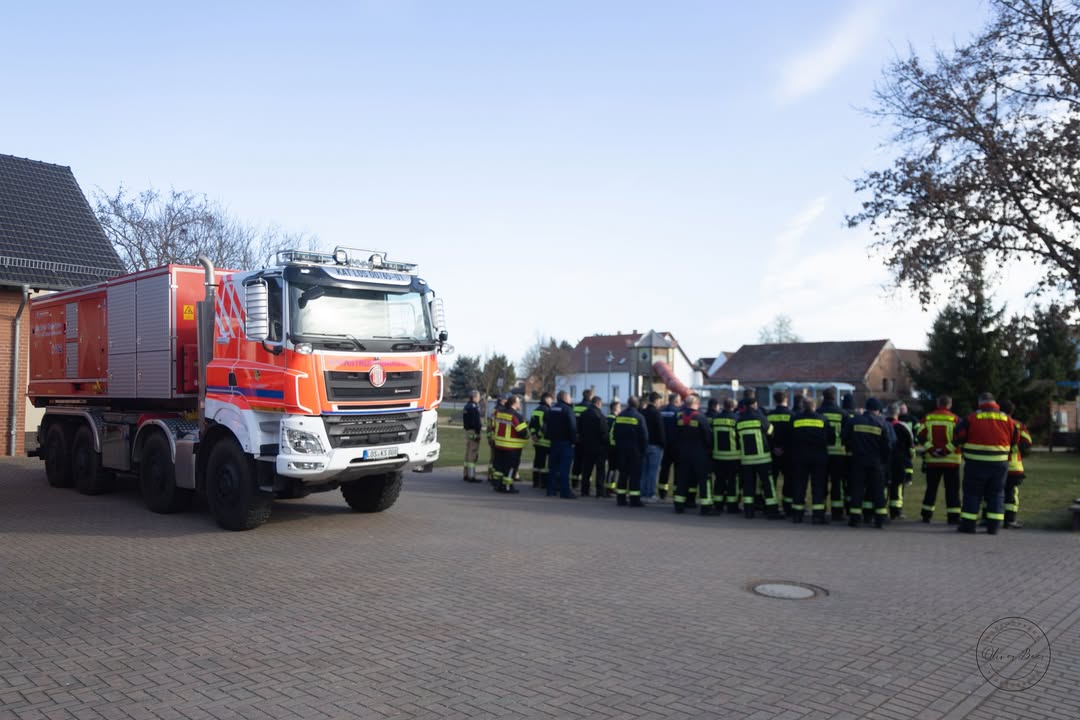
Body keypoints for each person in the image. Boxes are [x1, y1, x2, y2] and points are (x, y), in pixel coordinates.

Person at [955, 392, 1018, 535]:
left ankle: (968, 526)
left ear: (980, 403)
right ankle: (994, 527)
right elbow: (1015, 439)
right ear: (994, 403)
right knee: (996, 494)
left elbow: (958, 436)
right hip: (999, 464)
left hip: (975, 464)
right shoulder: (1007, 419)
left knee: (972, 494)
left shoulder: (971, 418)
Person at [843, 397, 894, 528]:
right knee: (878, 490)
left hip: (858, 460)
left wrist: (852, 447)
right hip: (876, 462)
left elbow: (844, 437)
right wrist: (883, 461)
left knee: (857, 489)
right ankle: (880, 519)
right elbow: (887, 445)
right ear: (877, 410)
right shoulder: (882, 423)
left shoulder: (854, 420)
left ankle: (854, 518)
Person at [918, 395, 962, 524]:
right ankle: (953, 517)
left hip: (933, 460)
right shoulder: (956, 419)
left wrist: (931, 449)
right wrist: (946, 450)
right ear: (950, 405)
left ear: (938, 403)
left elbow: (920, 435)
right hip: (952, 461)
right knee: (952, 489)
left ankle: (926, 515)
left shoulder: (928, 418)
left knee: (931, 488)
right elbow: (959, 438)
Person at [737, 390, 780, 519]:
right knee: (767, 485)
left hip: (746, 459)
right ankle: (772, 511)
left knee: (749, 486)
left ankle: (749, 511)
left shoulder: (739, 420)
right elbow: (771, 432)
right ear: (755, 404)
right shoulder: (760, 417)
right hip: (762, 458)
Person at [790, 396, 832, 524]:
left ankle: (797, 515)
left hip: (800, 457)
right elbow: (831, 439)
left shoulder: (795, 419)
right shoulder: (822, 419)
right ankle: (817, 515)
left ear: (802, 406)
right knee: (818, 486)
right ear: (814, 406)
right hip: (818, 458)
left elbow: (790, 437)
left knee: (799, 485)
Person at [674, 394, 713, 515]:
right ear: (696, 404)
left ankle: (679, 505)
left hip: (683, 453)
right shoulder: (701, 418)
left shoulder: (679, 417)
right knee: (703, 479)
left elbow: (675, 434)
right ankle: (706, 507)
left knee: (682, 478)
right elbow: (708, 437)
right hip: (699, 453)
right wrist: (709, 450)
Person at [818, 388, 851, 521]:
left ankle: (820, 510)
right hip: (839, 453)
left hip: (822, 453)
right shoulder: (843, 414)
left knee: (821, 483)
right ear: (835, 398)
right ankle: (837, 512)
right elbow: (847, 434)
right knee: (837, 483)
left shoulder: (818, 413)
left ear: (823, 398)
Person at [999, 400, 1033, 529]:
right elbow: (1027, 442)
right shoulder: (1018, 425)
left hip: (995, 464)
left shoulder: (995, 423)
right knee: (1011, 493)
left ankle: (988, 518)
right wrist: (1014, 449)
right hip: (1014, 466)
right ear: (1012, 411)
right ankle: (1010, 520)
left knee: (992, 492)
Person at [613, 395, 648, 507]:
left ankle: (620, 499)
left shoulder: (620, 415)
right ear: (637, 404)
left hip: (621, 449)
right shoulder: (639, 417)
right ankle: (634, 500)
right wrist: (642, 450)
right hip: (635, 450)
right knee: (635, 475)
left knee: (623, 474)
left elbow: (615, 432)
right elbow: (644, 436)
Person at [709, 397, 742, 513]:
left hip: (718, 456)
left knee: (719, 480)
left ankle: (718, 504)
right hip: (733, 456)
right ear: (733, 407)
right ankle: (732, 506)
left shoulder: (715, 419)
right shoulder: (736, 419)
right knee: (733, 481)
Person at [543, 390, 578, 499]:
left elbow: (546, 425)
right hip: (565, 443)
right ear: (565, 398)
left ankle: (550, 490)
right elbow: (572, 427)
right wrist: (573, 441)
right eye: (569, 397)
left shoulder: (551, 409)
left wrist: (548, 437)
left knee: (552, 467)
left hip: (554, 442)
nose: (571, 399)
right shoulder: (568, 410)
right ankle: (565, 491)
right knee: (564, 468)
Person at [491, 395, 529, 493]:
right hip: (512, 447)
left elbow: (493, 426)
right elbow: (523, 432)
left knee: (499, 466)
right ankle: (507, 486)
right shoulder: (515, 416)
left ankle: (498, 484)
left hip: (499, 444)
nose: (520, 404)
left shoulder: (499, 413)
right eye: (519, 402)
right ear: (514, 403)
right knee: (511, 467)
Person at [885, 403, 915, 519]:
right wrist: (909, 460)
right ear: (897, 413)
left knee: (882, 485)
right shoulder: (903, 427)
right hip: (899, 461)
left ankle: (880, 509)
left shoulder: (881, 424)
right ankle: (896, 511)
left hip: (884, 460)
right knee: (897, 487)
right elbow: (911, 447)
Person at [768, 391, 795, 514]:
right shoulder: (792, 415)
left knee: (772, 479)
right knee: (788, 480)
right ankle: (787, 506)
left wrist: (774, 447)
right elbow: (793, 435)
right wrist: (784, 447)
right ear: (786, 400)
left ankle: (771, 505)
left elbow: (766, 435)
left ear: (774, 401)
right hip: (788, 452)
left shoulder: (769, 415)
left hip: (773, 452)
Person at [579, 395, 609, 497]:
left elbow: (580, 429)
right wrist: (606, 443)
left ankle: (584, 490)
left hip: (586, 446)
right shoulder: (600, 415)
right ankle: (600, 492)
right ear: (599, 403)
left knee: (586, 469)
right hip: (599, 447)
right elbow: (604, 432)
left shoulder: (584, 414)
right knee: (600, 470)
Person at [639, 393, 664, 502]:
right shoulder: (656, 413)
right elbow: (660, 431)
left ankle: (642, 492)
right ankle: (651, 493)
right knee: (653, 471)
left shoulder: (643, 412)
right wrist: (663, 444)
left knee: (644, 470)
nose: (660, 403)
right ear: (656, 401)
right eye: (659, 401)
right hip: (655, 445)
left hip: (644, 445)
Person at [658, 393, 682, 500]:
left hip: (664, 445)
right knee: (677, 469)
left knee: (664, 469)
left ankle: (662, 491)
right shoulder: (678, 412)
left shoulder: (661, 411)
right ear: (676, 401)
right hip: (676, 445)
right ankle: (676, 491)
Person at [528, 392, 553, 489]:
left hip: (537, 442)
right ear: (547, 399)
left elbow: (532, 426)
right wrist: (538, 435)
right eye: (551, 399)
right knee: (544, 465)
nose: (552, 401)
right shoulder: (548, 411)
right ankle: (543, 483)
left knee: (537, 462)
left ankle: (535, 482)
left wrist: (534, 435)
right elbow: (545, 427)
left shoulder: (535, 410)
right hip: (546, 442)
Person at [571, 389, 593, 491]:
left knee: (577, 461)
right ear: (590, 396)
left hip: (577, 438)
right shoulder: (590, 408)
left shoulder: (576, 407)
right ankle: (585, 483)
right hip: (586, 438)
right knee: (586, 462)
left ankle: (574, 483)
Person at [462, 390, 483, 483]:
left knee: (468, 452)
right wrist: (478, 433)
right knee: (473, 453)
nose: (479, 398)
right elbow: (476, 422)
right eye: (478, 397)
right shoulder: (474, 407)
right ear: (474, 397)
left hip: (468, 431)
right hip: (474, 431)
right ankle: (471, 475)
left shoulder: (467, 406)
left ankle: (466, 474)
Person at [486, 395, 505, 486]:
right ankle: (493, 476)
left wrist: (489, 437)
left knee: (493, 458)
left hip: (492, 437)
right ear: (502, 401)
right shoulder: (500, 411)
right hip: (497, 438)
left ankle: (490, 475)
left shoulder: (494, 410)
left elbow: (489, 426)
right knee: (496, 458)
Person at [605, 400, 622, 497]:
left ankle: (610, 487)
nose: (620, 409)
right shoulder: (615, 419)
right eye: (619, 407)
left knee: (612, 468)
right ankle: (609, 488)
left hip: (607, 446)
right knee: (613, 468)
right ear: (615, 408)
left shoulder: (606, 418)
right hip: (614, 446)